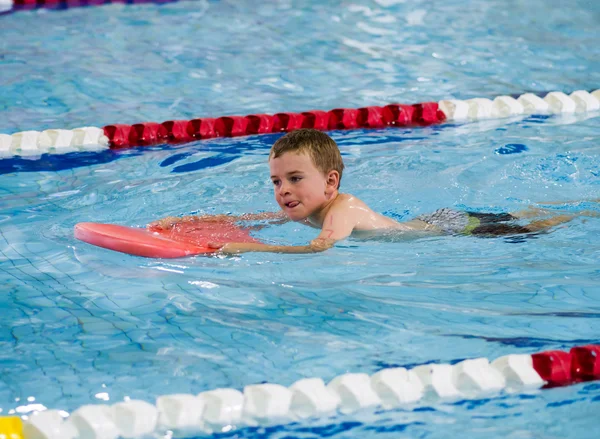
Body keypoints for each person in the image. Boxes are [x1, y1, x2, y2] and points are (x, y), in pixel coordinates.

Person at [150, 129, 595, 254]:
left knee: (537, 227)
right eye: (276, 181)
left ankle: (586, 213)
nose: (282, 190)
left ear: (330, 182)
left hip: (452, 230)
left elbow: (318, 248)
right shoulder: (309, 207)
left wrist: (247, 250)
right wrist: (185, 223)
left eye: (294, 179)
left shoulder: (340, 209)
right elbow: (255, 220)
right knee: (521, 216)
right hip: (439, 219)